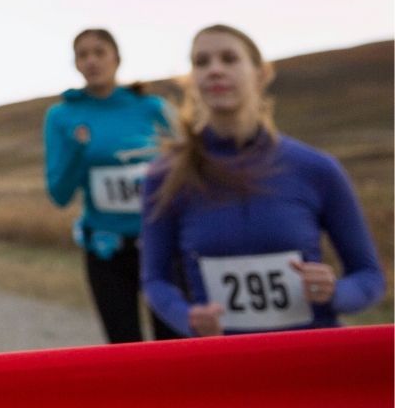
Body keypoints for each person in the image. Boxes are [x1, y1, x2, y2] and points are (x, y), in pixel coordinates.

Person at [141, 25, 385, 338]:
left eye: (229, 58)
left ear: (261, 74)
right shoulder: (165, 177)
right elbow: (155, 280)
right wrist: (188, 318)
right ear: (193, 80)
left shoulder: (317, 168)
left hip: (310, 359)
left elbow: (369, 277)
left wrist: (335, 292)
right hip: (223, 364)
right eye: (202, 62)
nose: (215, 70)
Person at [42, 28, 180, 343]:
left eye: (99, 52)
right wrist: (79, 151)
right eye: (83, 54)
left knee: (174, 344)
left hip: (161, 245)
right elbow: (59, 194)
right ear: (75, 64)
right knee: (124, 347)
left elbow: (187, 170)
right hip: (106, 252)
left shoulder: (152, 108)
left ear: (117, 58)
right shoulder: (62, 116)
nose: (91, 60)